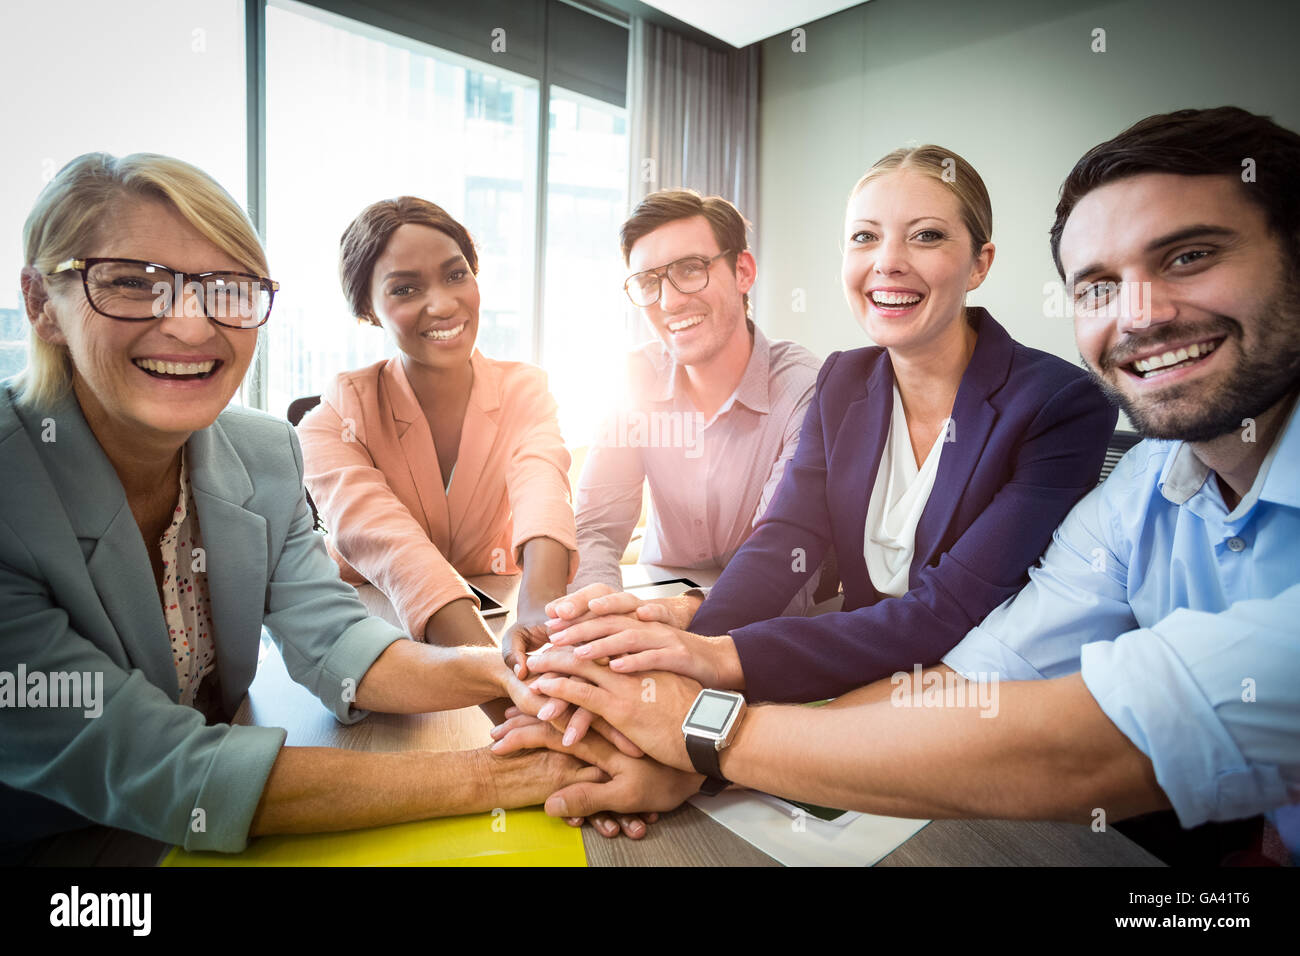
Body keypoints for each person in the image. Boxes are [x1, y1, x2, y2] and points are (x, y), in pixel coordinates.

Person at [497, 107, 1300, 865]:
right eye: (1097, 285)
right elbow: (955, 647)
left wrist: (702, 711)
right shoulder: (1146, 486)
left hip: (1054, 789)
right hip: (887, 705)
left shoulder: (1057, 402)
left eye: (1190, 256)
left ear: (980, 262)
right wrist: (692, 669)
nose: (1142, 314)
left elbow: (979, 643)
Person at [0, 153, 696, 857]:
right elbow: (156, 763)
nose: (190, 326)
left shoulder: (261, 452)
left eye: (227, 289)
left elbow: (337, 639)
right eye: (132, 284)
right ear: (40, 304)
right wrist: (520, 771)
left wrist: (506, 675)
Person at [544, 146, 1116, 710]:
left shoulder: (1059, 403)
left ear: (980, 264)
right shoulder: (843, 380)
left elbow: (948, 610)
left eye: (926, 235)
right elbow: (784, 541)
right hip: (847, 672)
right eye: (865, 237)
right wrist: (682, 654)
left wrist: (717, 659)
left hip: (972, 700)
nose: (887, 262)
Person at [299, 197, 578, 664]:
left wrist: (537, 611)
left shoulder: (525, 389)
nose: (443, 304)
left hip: (496, 607)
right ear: (368, 308)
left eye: (456, 275)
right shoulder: (332, 421)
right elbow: (397, 550)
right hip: (375, 624)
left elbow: (542, 487)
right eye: (405, 290)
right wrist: (498, 680)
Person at [567, 189, 823, 615]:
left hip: (762, 625)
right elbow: (596, 529)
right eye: (649, 282)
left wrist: (683, 614)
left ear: (742, 271)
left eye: (690, 269)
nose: (669, 302)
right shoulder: (634, 378)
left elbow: (780, 557)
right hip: (649, 607)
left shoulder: (806, 389)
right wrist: (597, 602)